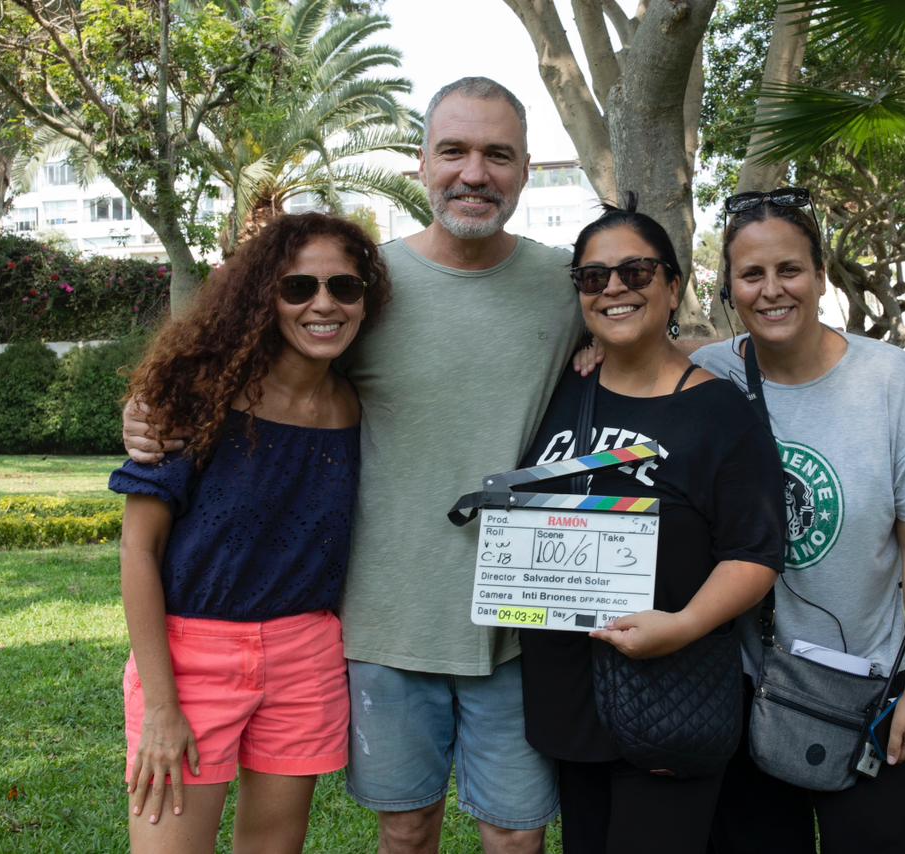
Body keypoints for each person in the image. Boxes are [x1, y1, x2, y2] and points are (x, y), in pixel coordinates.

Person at [124, 77, 583, 854]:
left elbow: (651, 344)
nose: (475, 172)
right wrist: (145, 406)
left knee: (515, 838)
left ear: (526, 169)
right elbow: (238, 351)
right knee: (405, 831)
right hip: (383, 623)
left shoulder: (568, 285)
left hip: (514, 621)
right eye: (454, 151)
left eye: (497, 154)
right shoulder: (374, 285)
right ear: (419, 163)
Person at [691, 189, 905, 853]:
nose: (772, 291)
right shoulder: (709, 376)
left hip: (866, 694)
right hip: (749, 692)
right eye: (751, 275)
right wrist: (597, 352)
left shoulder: (888, 381)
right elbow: (643, 365)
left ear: (821, 276)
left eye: (789, 270)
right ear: (730, 288)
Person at [110, 212, 391, 853]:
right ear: (263, 295)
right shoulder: (194, 399)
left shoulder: (356, 405)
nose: (324, 303)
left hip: (307, 657)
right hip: (190, 659)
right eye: (299, 288)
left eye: (344, 287)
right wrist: (161, 705)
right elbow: (138, 549)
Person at [518, 199, 785, 853]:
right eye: (593, 277)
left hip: (669, 694)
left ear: (672, 286)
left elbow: (755, 551)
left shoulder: (720, 413)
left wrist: (685, 626)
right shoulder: (560, 388)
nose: (613, 288)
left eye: (635, 273)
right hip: (570, 701)